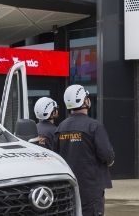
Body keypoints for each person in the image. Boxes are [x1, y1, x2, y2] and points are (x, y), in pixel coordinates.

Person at [56, 85, 114, 215]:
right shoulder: (94, 126)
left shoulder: (60, 128)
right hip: (91, 189)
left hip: (68, 188)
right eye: (87, 98)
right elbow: (106, 155)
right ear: (84, 101)